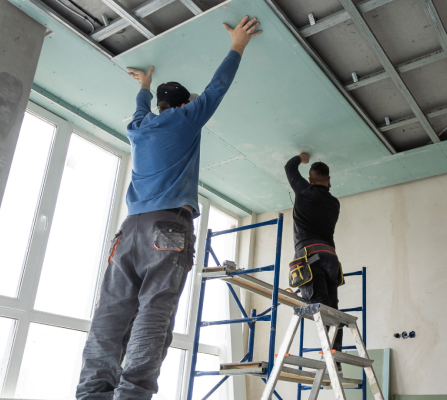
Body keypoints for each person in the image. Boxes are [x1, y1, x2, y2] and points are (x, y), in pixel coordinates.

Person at [77, 16, 262, 400]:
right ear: (182, 104)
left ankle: (92, 393)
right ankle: (132, 395)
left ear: (160, 103)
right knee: (153, 313)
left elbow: (141, 106)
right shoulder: (186, 119)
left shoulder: (139, 127)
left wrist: (144, 85)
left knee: (110, 312)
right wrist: (237, 44)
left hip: (128, 232)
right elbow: (217, 88)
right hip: (167, 227)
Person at [284, 153, 344, 357]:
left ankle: (330, 358)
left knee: (320, 308)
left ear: (310, 179)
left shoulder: (305, 191)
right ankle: (336, 359)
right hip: (330, 258)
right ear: (329, 180)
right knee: (333, 311)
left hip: (309, 258)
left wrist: (301, 157)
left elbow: (289, 168)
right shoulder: (334, 203)